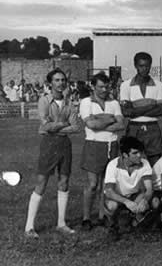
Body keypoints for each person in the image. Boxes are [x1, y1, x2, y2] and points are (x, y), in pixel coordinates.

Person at [24, 68, 81, 238]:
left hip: (64, 144)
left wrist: (55, 126)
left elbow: (76, 127)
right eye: (57, 80)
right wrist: (63, 124)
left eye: (63, 80)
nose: (60, 83)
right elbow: (45, 126)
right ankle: (29, 227)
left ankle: (61, 224)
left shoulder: (69, 103)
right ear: (50, 83)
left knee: (64, 181)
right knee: (42, 181)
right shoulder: (44, 100)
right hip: (49, 144)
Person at [79, 72, 125, 231]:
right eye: (100, 87)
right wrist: (111, 119)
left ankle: (102, 216)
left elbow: (121, 124)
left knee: (107, 184)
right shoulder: (86, 102)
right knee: (92, 184)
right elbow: (91, 125)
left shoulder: (114, 102)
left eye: (106, 87)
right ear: (93, 86)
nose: (104, 90)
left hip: (112, 145)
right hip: (94, 145)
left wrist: (100, 120)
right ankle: (86, 218)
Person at [103, 136, 154, 241]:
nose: (139, 155)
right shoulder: (113, 165)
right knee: (112, 206)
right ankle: (112, 226)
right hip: (117, 197)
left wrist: (145, 200)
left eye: (140, 152)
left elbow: (149, 189)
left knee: (146, 202)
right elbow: (109, 192)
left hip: (135, 195)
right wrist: (126, 202)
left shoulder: (145, 163)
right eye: (135, 153)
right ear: (125, 155)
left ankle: (138, 225)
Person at [120, 52, 162, 166]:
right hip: (134, 127)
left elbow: (161, 111)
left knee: (156, 163)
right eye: (141, 66)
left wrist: (135, 108)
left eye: (147, 66)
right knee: (133, 162)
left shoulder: (158, 84)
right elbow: (126, 112)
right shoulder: (126, 85)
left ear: (150, 65)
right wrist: (150, 106)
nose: (144, 69)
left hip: (152, 127)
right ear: (135, 66)